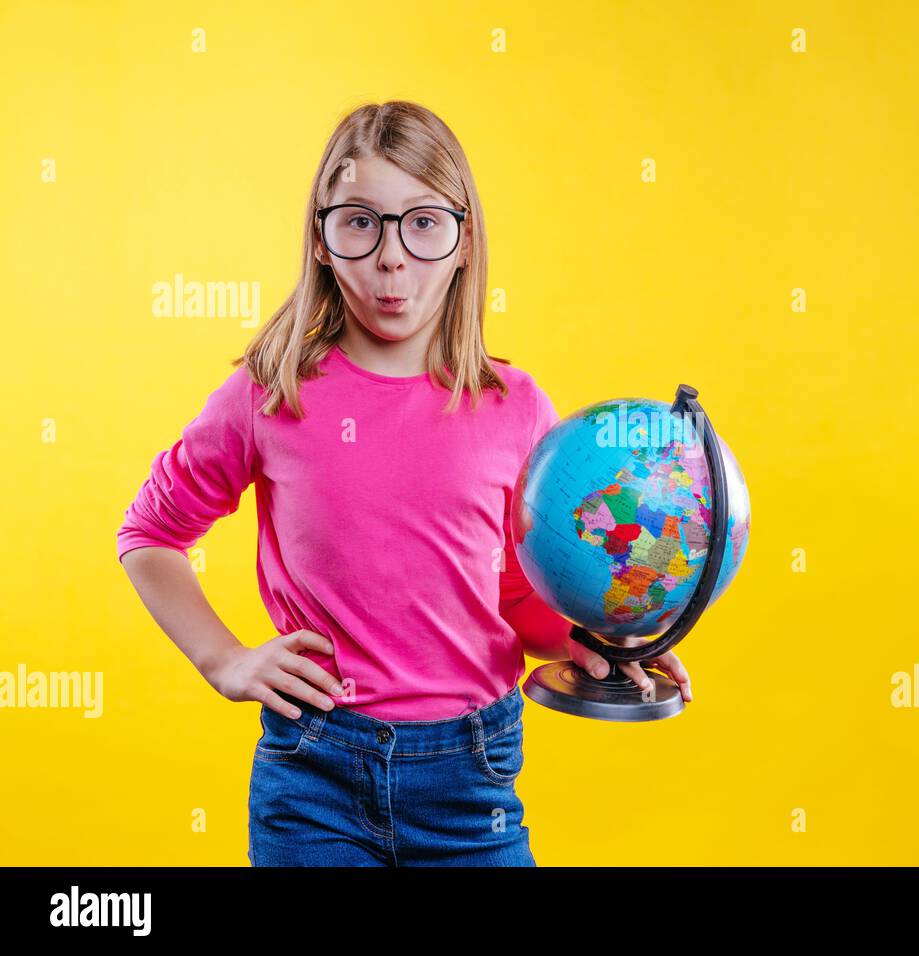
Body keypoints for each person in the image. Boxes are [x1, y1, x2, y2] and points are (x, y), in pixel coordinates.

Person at [116, 100, 692, 867]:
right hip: (314, 779)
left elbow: (517, 592)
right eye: (360, 222)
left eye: (423, 223)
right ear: (321, 239)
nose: (392, 258)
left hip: (471, 778)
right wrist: (224, 660)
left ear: (463, 241)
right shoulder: (269, 396)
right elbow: (150, 534)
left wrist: (601, 646)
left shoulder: (515, 409)